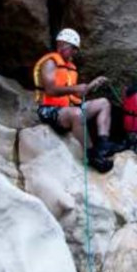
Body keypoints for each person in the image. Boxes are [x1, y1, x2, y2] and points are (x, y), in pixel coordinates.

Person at [32, 28, 116, 172]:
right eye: (73, 48)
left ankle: (103, 144)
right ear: (62, 45)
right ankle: (92, 155)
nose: (75, 53)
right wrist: (75, 89)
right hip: (48, 110)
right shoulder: (51, 63)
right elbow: (50, 90)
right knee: (77, 114)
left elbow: (74, 96)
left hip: (67, 108)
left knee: (103, 103)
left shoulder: (71, 68)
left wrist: (90, 86)